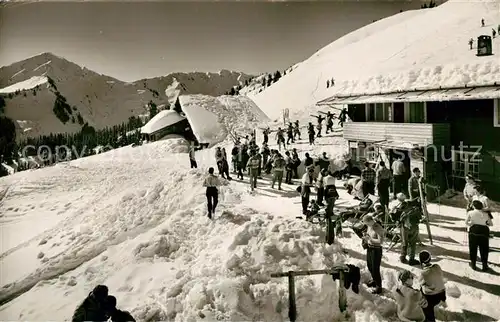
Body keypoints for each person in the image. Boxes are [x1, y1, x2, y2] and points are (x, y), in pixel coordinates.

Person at [417, 250, 446, 322]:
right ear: (430, 259)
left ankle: (429, 318)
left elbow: (420, 282)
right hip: (442, 295)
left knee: (420, 290)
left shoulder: (423, 273)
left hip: (432, 298)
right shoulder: (437, 266)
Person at [466, 200, 493, 271]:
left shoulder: (470, 212)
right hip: (484, 231)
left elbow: (466, 222)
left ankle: (473, 264)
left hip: (474, 230)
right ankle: (484, 266)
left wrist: (471, 223)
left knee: (473, 248)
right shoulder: (486, 214)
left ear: (473, 206)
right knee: (484, 249)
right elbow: (491, 224)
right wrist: (484, 223)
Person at [362, 214, 385, 294]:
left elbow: (380, 241)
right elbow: (369, 235)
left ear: (371, 221)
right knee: (370, 266)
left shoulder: (378, 228)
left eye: (367, 223)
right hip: (370, 248)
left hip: (376, 250)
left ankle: (379, 286)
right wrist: (365, 236)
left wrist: (370, 239)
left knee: (375, 269)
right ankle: (374, 280)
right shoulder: (369, 226)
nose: (367, 225)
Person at [399, 196, 422, 265]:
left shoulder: (403, 212)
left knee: (404, 242)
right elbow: (420, 218)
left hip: (404, 228)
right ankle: (411, 259)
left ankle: (403, 257)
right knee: (412, 243)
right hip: (414, 227)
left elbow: (400, 220)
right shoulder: (416, 210)